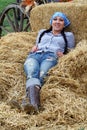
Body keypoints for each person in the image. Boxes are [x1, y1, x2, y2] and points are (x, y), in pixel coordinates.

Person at [22, 12, 75, 114]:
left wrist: (64, 56)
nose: (57, 22)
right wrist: (33, 48)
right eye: (55, 19)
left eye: (61, 20)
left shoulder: (69, 35)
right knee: (32, 72)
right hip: (35, 55)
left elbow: (72, 52)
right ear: (51, 22)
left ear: (65, 24)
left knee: (42, 74)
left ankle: (29, 102)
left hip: (51, 57)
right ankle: (34, 104)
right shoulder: (42, 32)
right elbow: (37, 44)